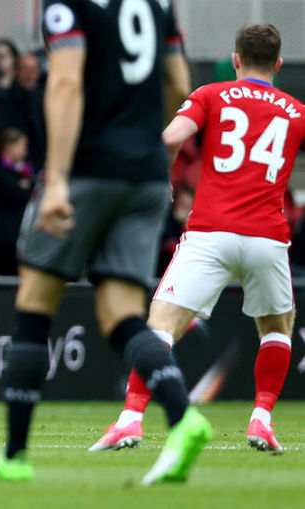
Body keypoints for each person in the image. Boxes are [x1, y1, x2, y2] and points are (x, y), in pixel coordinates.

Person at [0, 0, 210, 486]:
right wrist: (148, 147)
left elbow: (64, 81)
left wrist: (56, 178)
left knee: (35, 304)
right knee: (121, 315)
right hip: (145, 175)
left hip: (87, 169)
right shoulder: (156, 4)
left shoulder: (69, 4)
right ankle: (184, 417)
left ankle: (15, 457)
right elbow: (180, 86)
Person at [91, 23, 303, 456]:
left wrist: (163, 181)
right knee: (277, 329)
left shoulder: (213, 94)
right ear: (278, 65)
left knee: (162, 325)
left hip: (210, 232)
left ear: (237, 60)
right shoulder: (297, 111)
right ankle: (261, 419)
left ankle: (130, 418)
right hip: (267, 237)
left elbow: (169, 137)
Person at [0, 128, 34, 275]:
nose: (25, 151)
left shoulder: (22, 171)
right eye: (23, 146)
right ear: (9, 146)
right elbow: (15, 192)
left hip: (21, 234)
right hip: (2, 235)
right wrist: (23, 186)